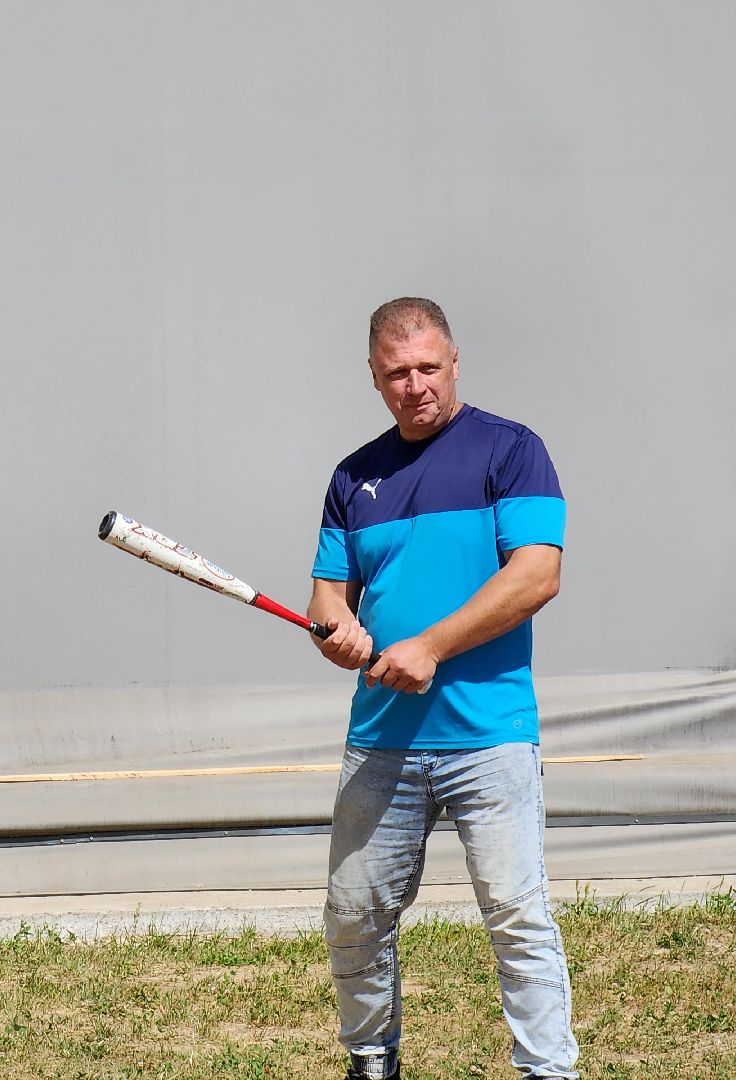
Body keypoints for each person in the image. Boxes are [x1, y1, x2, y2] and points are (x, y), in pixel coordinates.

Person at [308, 298, 576, 1080]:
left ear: (455, 362)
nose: (415, 386)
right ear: (373, 377)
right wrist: (337, 633)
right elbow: (329, 600)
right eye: (397, 373)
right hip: (382, 740)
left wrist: (429, 646)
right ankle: (371, 1060)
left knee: (518, 917)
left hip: (489, 734)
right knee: (354, 916)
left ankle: (548, 1071)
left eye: (429, 367)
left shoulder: (512, 451)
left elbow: (537, 575)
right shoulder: (352, 477)